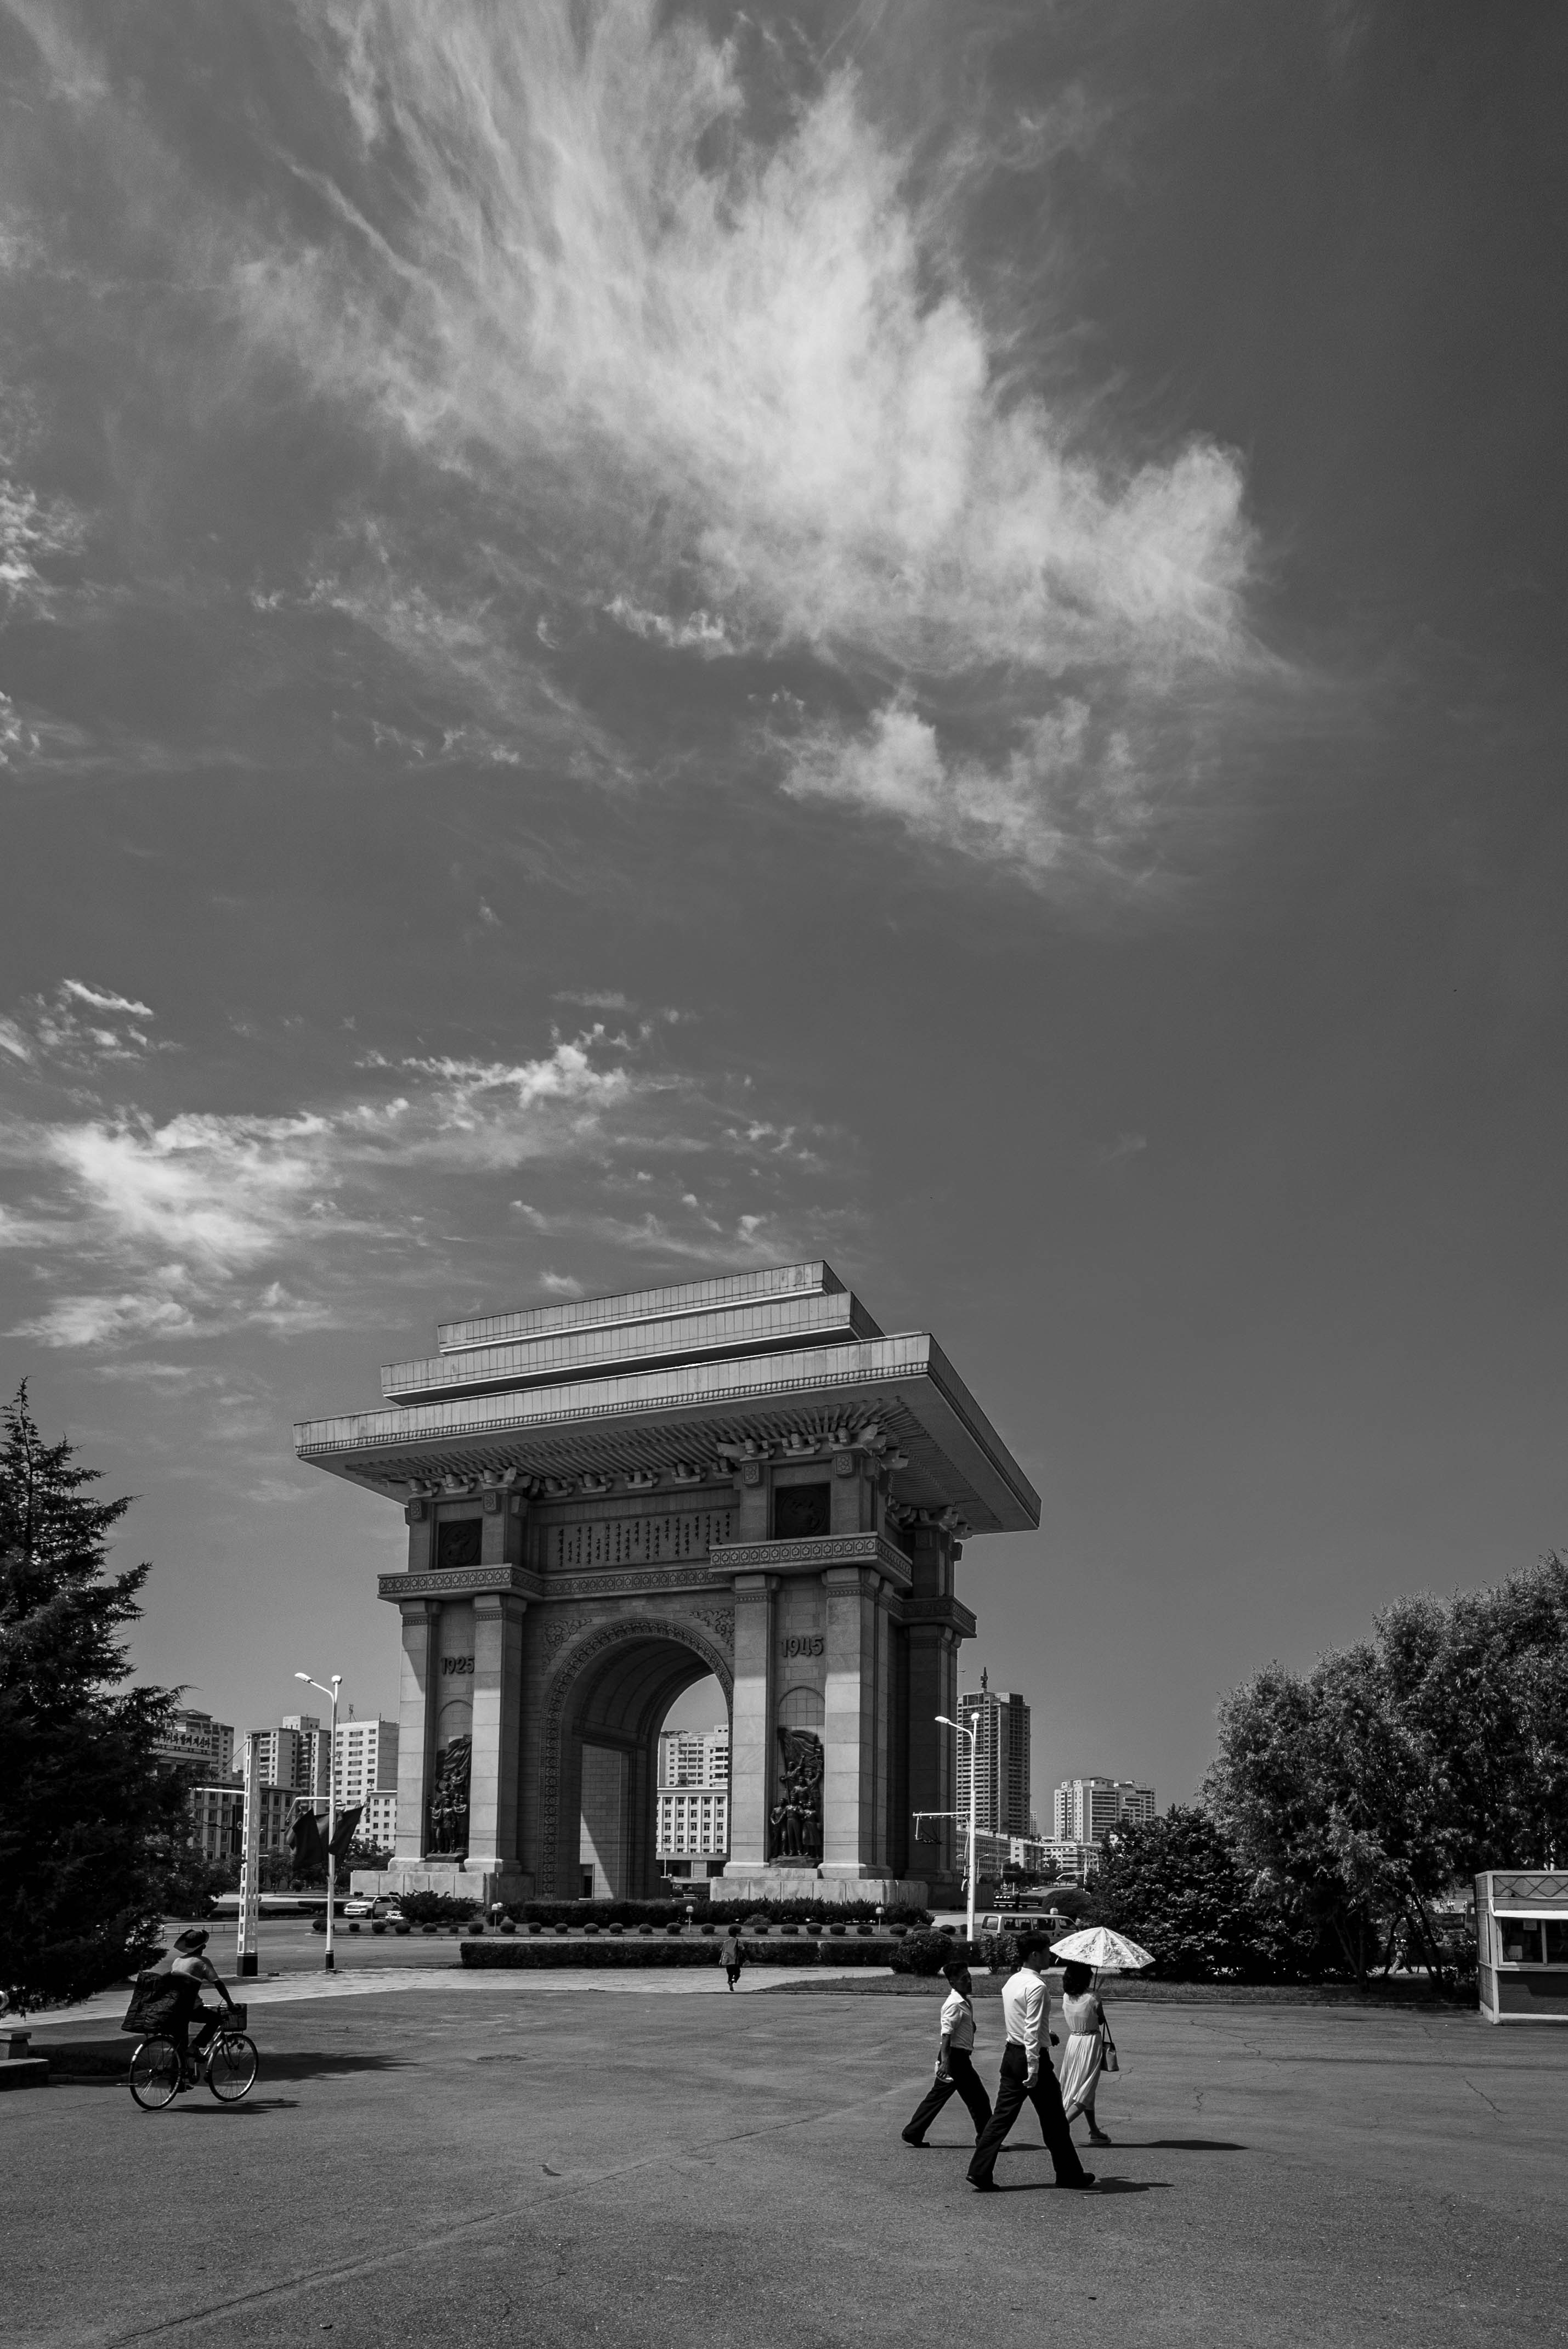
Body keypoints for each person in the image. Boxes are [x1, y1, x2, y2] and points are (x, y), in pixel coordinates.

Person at [966, 1935, 1095, 2194]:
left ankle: (979, 2171)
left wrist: (1049, 2037)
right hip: (1030, 2058)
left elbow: (1023, 2022)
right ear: (1035, 1955)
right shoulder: (1037, 1986)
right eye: (1047, 1952)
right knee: (1055, 2121)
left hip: (1012, 2054)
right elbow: (1031, 2029)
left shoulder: (1013, 1981)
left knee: (1001, 2118)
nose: (1050, 1957)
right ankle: (1069, 2175)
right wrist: (1034, 2068)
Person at [901, 1961, 993, 2148]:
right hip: (955, 2059)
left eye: (969, 1977)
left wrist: (970, 2027)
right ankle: (987, 2140)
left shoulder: (964, 2000)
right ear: (952, 1983)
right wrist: (945, 2062)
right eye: (964, 1979)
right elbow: (946, 2034)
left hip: (957, 2058)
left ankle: (913, 2132)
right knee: (979, 2101)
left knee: (938, 2097)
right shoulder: (954, 2004)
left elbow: (958, 2028)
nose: (969, 1982)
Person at [160, 1928, 241, 2089]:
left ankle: (177, 2083)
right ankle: (195, 2047)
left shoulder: (177, 1961)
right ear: (202, 1947)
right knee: (216, 2019)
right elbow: (218, 1983)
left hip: (174, 2007)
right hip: (190, 2007)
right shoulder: (202, 1961)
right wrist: (231, 2004)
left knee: (179, 2044)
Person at [1055, 1959, 1112, 2146]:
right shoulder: (1093, 1998)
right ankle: (1060, 2128)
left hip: (1074, 2042)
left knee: (1081, 2086)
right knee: (1086, 2088)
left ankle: (1094, 2130)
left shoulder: (1066, 1996)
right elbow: (1101, 2019)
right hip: (1090, 2043)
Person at [723, 1925, 745, 1992]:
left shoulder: (726, 1942)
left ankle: (730, 1982)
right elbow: (743, 1950)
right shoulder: (738, 1942)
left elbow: (723, 1951)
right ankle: (733, 1981)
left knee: (730, 1974)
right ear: (736, 1934)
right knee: (737, 1974)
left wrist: (721, 1960)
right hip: (736, 1961)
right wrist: (746, 1958)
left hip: (727, 1961)